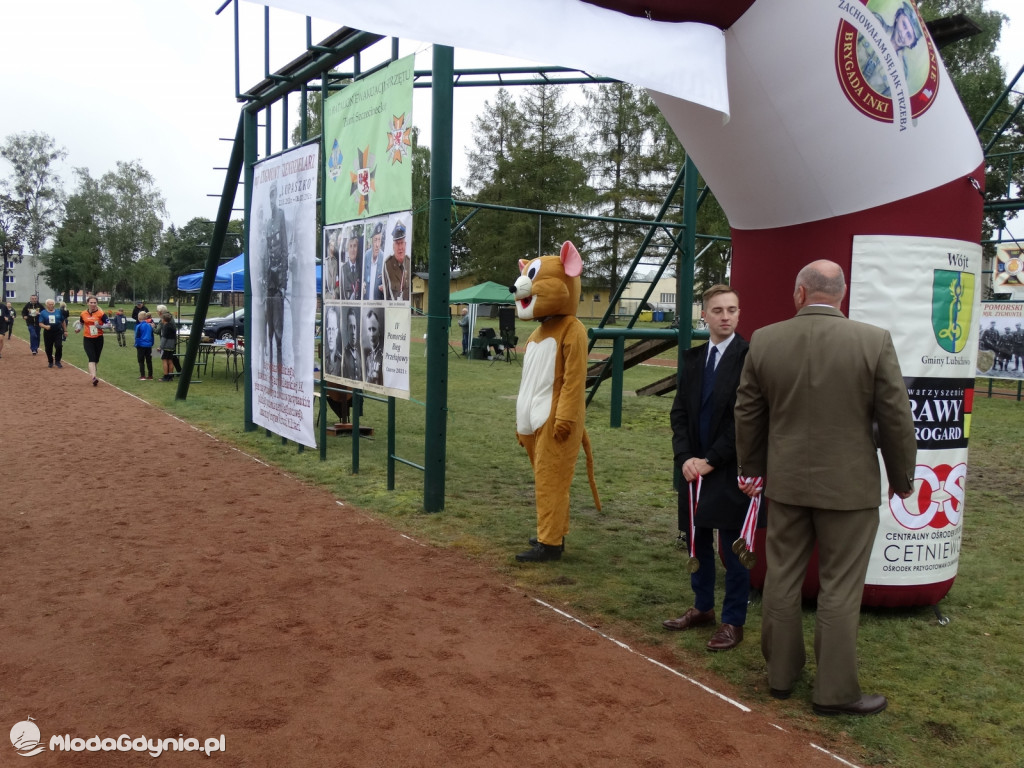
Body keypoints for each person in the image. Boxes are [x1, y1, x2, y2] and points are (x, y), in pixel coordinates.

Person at [734, 259, 916, 716]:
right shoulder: (873, 341)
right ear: (842, 295)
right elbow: (896, 418)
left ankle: (780, 676)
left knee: (781, 578)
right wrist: (901, 480)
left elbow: (748, 411)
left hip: (787, 483)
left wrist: (752, 469)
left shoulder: (765, 340)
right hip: (850, 488)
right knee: (840, 588)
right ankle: (834, 693)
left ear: (799, 293)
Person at [662, 285, 750, 652]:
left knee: (733, 549)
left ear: (739, 313)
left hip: (727, 470)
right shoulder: (694, 358)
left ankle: (733, 621)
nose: (726, 316)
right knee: (697, 542)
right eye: (718, 310)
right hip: (692, 471)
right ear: (704, 315)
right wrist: (685, 457)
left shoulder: (749, 358)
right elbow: (680, 413)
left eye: (732, 309)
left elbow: (743, 420)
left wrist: (711, 460)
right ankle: (702, 607)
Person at [264, 181, 289, 389]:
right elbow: (266, 253)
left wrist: (283, 283)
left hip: (278, 282)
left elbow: (284, 250)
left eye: (275, 195)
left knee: (279, 334)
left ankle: (280, 381)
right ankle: (270, 381)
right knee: (269, 332)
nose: (273, 199)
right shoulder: (267, 223)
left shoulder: (280, 216)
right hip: (269, 284)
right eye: (270, 195)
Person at [78, 295, 107, 386]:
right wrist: (78, 329)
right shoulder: (83, 313)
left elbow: (109, 324)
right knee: (91, 357)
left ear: (97, 303)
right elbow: (81, 323)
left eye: (95, 302)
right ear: (87, 303)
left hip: (98, 338)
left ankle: (93, 370)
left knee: (96, 359)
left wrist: (100, 326)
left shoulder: (101, 314)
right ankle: (94, 377)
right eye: (91, 302)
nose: (93, 304)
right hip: (88, 338)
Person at [384, 221, 410, 301]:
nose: (400, 247)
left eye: (402, 243)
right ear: (393, 246)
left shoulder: (409, 263)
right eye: (397, 243)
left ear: (405, 245)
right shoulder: (388, 265)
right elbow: (386, 295)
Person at [38, 299, 67, 369]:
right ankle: (50, 361)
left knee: (59, 346)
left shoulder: (58, 312)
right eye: (49, 304)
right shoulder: (43, 313)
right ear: (46, 305)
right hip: (48, 332)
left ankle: (58, 361)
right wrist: (45, 326)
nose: (51, 306)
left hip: (58, 331)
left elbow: (63, 321)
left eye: (52, 304)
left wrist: (65, 331)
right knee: (48, 348)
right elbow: (40, 323)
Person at [363, 221, 386, 300]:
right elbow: (362, 278)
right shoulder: (366, 256)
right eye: (375, 240)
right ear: (372, 241)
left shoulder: (384, 258)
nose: (377, 244)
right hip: (366, 303)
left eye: (379, 240)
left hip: (378, 304)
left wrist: (384, 287)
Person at [339, 225, 362, 301]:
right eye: (350, 246)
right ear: (348, 249)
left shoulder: (361, 268)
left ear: (357, 248)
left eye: (355, 246)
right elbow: (342, 293)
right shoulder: (343, 269)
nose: (352, 250)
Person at [363, 308, 384, 385]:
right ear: (367, 332)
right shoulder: (368, 358)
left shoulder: (383, 355)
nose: (372, 334)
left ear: (379, 330)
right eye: (369, 329)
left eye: (374, 329)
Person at [342, 307, 362, 381]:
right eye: (350, 327)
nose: (353, 332)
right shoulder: (344, 354)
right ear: (347, 329)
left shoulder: (358, 354)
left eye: (354, 327)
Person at [134, 310, 154, 380]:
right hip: (149, 345)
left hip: (141, 345)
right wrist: (151, 343)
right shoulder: (149, 326)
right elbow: (152, 336)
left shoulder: (138, 326)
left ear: (139, 318)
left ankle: (142, 376)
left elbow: (137, 336)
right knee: (149, 360)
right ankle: (150, 375)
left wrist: (136, 344)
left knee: (141, 361)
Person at [323, 306, 342, 377]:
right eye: (329, 330)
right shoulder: (324, 360)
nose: (330, 336)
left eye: (333, 330)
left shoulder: (341, 361)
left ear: (336, 332)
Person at [158, 312, 177, 381]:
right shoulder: (172, 326)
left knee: (164, 360)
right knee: (170, 361)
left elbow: (164, 338)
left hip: (166, 346)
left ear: (164, 320)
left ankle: (165, 376)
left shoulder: (165, 327)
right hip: (172, 346)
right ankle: (170, 376)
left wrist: (160, 347)